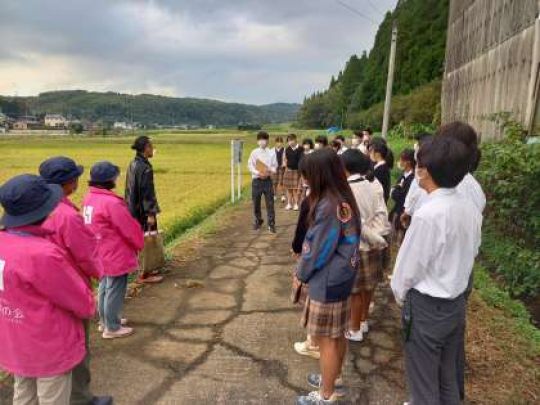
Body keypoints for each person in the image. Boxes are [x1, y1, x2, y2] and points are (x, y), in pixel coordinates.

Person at [391, 137, 482, 405]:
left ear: (426, 170)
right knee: (447, 378)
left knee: (423, 384)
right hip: (455, 304)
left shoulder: (429, 213)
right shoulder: (470, 208)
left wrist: (401, 297)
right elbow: (473, 251)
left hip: (427, 306)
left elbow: (409, 269)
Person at [0, 174, 96, 405]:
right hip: (48, 343)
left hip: (14, 337)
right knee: (52, 396)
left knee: (23, 392)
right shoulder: (43, 254)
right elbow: (80, 301)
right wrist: (90, 305)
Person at [39, 157, 112, 405]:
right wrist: (100, 273)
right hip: (70, 289)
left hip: (39, 292)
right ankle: (81, 398)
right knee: (77, 346)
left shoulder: (35, 209)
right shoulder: (67, 216)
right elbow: (87, 257)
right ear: (69, 182)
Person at [294, 149, 361, 405]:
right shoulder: (342, 196)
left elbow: (318, 250)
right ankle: (334, 380)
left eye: (308, 175)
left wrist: (301, 274)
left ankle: (326, 394)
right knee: (337, 334)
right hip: (342, 277)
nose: (306, 180)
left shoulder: (328, 205)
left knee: (327, 341)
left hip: (329, 279)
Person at [83, 162, 144, 339]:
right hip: (115, 251)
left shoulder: (90, 198)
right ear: (110, 179)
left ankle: (105, 321)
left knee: (104, 287)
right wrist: (139, 243)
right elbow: (129, 229)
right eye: (116, 176)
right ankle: (112, 327)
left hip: (100, 251)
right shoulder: (111, 202)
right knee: (115, 288)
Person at [341, 149, 390, 342]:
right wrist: (378, 238)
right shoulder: (372, 184)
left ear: (345, 167)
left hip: (357, 244)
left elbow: (354, 223)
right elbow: (381, 213)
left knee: (355, 290)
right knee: (368, 286)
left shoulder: (346, 189)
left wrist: (373, 238)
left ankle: (354, 329)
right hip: (373, 242)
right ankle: (363, 321)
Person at [125, 135, 163, 284]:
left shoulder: (133, 164)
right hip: (142, 211)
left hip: (132, 209)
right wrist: (151, 213)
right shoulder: (145, 168)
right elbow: (147, 193)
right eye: (151, 146)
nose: (153, 149)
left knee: (139, 239)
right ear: (145, 149)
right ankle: (145, 274)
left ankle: (143, 270)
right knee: (146, 240)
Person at [247, 131, 278, 233]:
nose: (262, 141)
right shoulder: (254, 152)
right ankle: (258, 220)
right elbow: (250, 165)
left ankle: (271, 224)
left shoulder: (272, 152)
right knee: (256, 202)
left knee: (270, 203)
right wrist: (258, 172)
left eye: (264, 139)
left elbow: (275, 166)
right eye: (260, 139)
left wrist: (270, 171)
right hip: (257, 181)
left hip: (268, 181)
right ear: (257, 141)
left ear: (268, 140)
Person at [389, 149, 416, 242]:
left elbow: (401, 196)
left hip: (403, 211)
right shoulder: (404, 175)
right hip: (397, 210)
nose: (399, 163)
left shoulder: (412, 179)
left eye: (401, 160)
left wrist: (394, 191)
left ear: (407, 162)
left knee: (400, 237)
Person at [369, 138, 394, 203]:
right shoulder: (381, 167)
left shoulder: (381, 169)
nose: (370, 154)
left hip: (379, 202)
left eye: (371, 151)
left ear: (377, 154)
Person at [283, 133, 304, 211]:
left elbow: (302, 160)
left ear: (295, 139)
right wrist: (285, 167)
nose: (290, 142)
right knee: (289, 189)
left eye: (291, 140)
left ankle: (296, 204)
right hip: (289, 170)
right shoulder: (287, 149)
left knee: (295, 189)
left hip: (297, 171)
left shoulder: (301, 148)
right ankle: (289, 203)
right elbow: (285, 159)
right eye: (289, 141)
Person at [271, 136, 286, 203]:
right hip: (274, 167)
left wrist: (284, 164)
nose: (279, 143)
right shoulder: (272, 150)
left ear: (282, 143)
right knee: (274, 182)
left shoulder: (285, 150)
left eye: (280, 142)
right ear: (275, 143)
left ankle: (283, 195)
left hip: (282, 167)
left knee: (282, 181)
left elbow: (286, 159)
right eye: (277, 142)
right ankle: (274, 195)